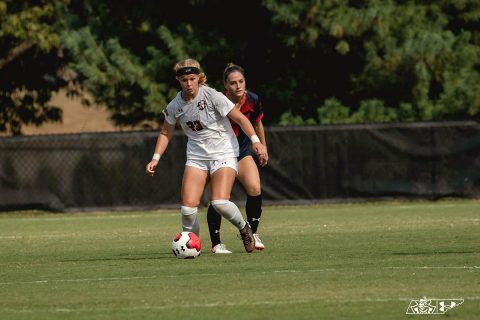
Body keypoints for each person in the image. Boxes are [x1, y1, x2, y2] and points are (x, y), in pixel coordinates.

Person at [146, 58, 267, 253]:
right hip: (196, 156)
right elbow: (165, 133)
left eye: (192, 78)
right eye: (184, 80)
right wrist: (155, 158)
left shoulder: (212, 96)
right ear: (179, 81)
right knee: (187, 209)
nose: (189, 83)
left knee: (219, 202)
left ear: (198, 78)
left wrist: (256, 142)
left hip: (224, 152)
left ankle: (245, 229)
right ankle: (191, 248)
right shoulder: (175, 105)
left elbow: (242, 119)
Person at [208, 63, 268, 254]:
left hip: (241, 152)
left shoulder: (252, 99)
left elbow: (257, 123)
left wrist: (262, 146)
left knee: (255, 188)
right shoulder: (217, 101)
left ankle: (252, 233)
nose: (238, 86)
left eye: (241, 81)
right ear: (225, 85)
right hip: (220, 153)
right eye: (233, 83)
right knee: (220, 199)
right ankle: (216, 242)